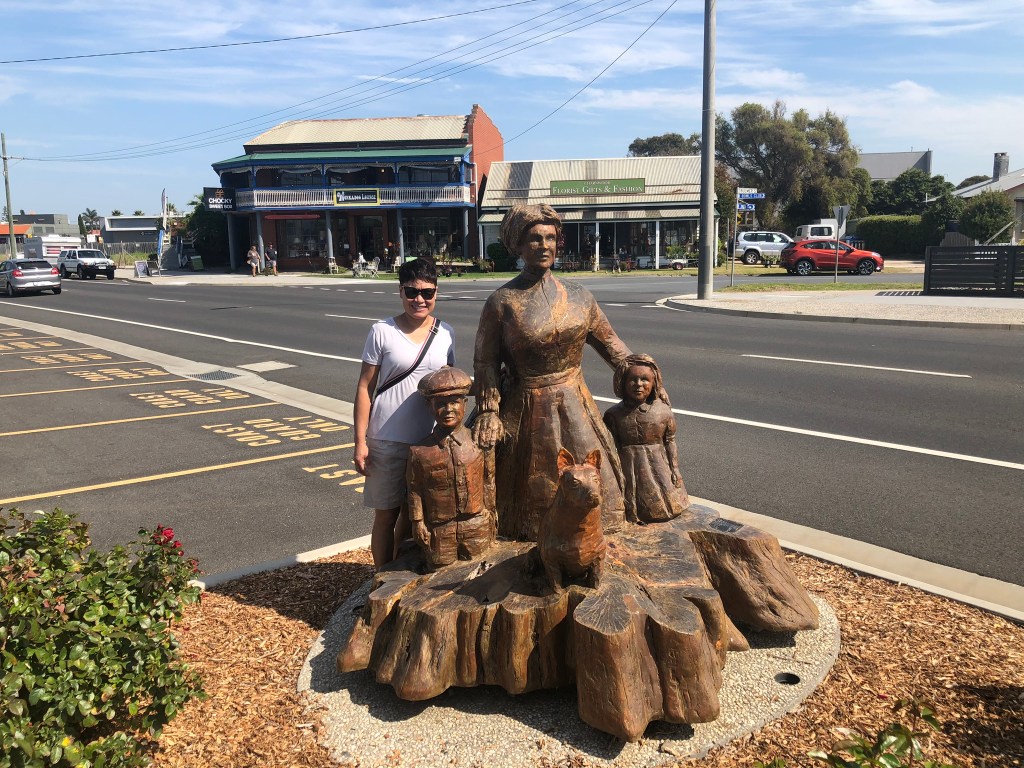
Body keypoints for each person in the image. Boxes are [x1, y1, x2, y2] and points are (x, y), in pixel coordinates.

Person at [472, 204, 632, 541]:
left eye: (550, 237)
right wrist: (489, 410)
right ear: (517, 245)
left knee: (593, 472)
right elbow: (485, 362)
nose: (543, 245)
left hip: (575, 399)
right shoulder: (502, 302)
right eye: (533, 239)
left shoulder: (580, 296)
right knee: (534, 486)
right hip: (528, 406)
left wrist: (639, 371)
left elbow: (611, 344)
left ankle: (591, 541)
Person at [354, 258, 455, 568]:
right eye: (411, 292)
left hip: (429, 442)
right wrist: (360, 441)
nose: (419, 300)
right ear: (400, 292)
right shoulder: (382, 331)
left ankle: (396, 572)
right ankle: (378, 579)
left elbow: (449, 383)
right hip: (386, 440)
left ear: (436, 292)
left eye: (427, 292)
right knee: (387, 515)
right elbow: (364, 388)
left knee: (414, 516)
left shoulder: (446, 333)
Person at [406, 366, 495, 570]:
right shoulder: (419, 451)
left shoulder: (478, 443)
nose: (448, 410)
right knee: (438, 570)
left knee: (479, 569)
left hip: (476, 522)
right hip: (440, 529)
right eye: (440, 404)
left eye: (454, 402)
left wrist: (490, 512)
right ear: (429, 406)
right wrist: (417, 521)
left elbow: (489, 480)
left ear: (465, 403)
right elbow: (415, 489)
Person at [602, 354, 691, 524]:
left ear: (654, 383)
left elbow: (670, 442)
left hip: (658, 463)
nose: (638, 385)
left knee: (664, 498)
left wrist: (675, 470)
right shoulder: (614, 415)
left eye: (645, 380)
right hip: (628, 464)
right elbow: (611, 447)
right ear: (622, 382)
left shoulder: (663, 412)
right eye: (633, 380)